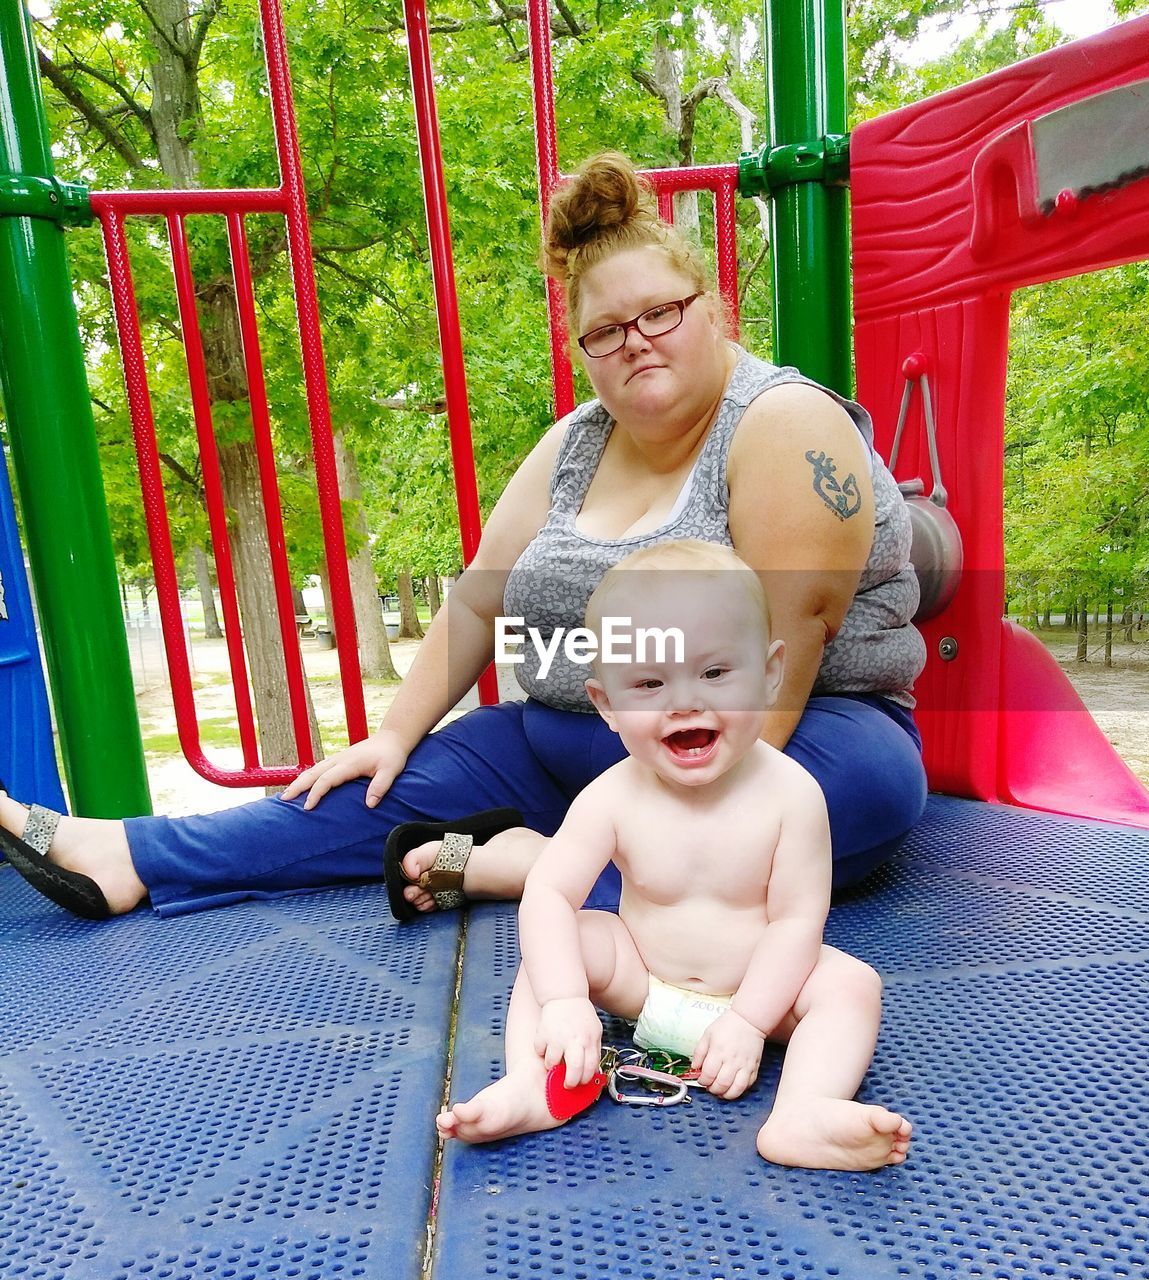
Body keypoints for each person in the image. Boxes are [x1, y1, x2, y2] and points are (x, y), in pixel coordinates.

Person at [0, 150, 926, 923]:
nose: (638, 341)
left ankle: (517, 865)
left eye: (662, 313)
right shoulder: (575, 443)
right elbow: (485, 592)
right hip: (569, 740)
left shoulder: (782, 425)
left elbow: (779, 678)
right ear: (580, 348)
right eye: (606, 330)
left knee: (834, 808)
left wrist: (655, 814)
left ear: (708, 308)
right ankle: (129, 854)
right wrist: (397, 734)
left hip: (783, 744)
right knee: (366, 796)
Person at [437, 541, 912, 1172]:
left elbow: (798, 922)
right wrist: (566, 1000)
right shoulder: (609, 797)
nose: (684, 701)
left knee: (851, 985)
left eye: (716, 674)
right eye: (649, 683)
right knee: (566, 937)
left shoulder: (793, 796)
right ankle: (535, 1078)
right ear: (605, 704)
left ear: (770, 674)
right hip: (641, 982)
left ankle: (804, 1109)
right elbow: (549, 892)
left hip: (759, 996)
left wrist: (748, 1019)